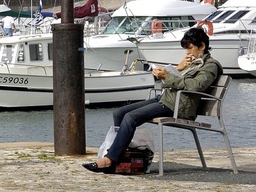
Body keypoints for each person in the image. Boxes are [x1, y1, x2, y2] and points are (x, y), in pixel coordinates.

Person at [87, 26, 220, 173]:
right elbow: (178, 80)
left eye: (190, 48)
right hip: (167, 99)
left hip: (179, 106)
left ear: (202, 46)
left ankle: (110, 159)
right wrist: (178, 68)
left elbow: (196, 86)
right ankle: (122, 157)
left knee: (130, 117)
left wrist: (167, 76)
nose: (187, 52)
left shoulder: (210, 66)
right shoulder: (193, 62)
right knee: (119, 113)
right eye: (185, 49)